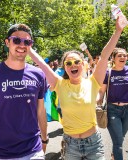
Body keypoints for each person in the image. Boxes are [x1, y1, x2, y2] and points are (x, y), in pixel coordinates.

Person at [28, 14, 128, 160]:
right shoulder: (59, 84)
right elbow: (42, 64)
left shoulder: (93, 82)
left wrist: (118, 31)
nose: (72, 65)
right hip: (70, 146)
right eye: (68, 63)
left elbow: (105, 56)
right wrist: (29, 50)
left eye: (76, 62)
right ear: (65, 68)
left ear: (83, 64)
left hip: (94, 144)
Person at [0, 24, 48, 160]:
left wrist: (45, 139)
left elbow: (40, 110)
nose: (22, 45)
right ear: (7, 42)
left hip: (33, 151)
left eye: (27, 42)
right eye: (16, 40)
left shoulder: (38, 74)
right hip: (1, 154)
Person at [97, 47, 128, 160]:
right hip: (112, 110)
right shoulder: (108, 73)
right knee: (118, 143)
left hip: (127, 110)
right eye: (119, 55)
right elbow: (101, 91)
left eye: (124, 55)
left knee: (121, 138)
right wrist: (96, 101)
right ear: (113, 58)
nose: (122, 57)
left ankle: (114, 156)